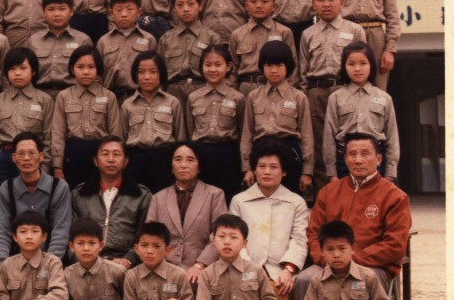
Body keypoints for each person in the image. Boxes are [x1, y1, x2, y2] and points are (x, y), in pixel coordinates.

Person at [295, 133, 411, 300]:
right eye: (352, 154)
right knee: (304, 280)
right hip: (328, 263)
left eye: (365, 154)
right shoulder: (328, 192)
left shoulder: (395, 197)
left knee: (357, 283)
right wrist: (326, 259)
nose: (358, 160)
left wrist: (351, 260)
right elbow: (313, 233)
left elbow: (394, 245)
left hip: (370, 268)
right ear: (345, 160)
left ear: (378, 159)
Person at [224, 138, 310, 300]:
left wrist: (289, 269)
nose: (267, 172)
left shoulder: (295, 202)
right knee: (247, 287)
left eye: (273, 167)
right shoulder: (240, 201)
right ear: (254, 170)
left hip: (279, 268)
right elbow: (234, 238)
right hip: (245, 265)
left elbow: (299, 239)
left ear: (284, 172)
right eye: (261, 166)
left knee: (279, 288)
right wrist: (250, 268)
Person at [298, 0, 367, 181]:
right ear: (313, 4)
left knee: (350, 142)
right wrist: (306, 97)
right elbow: (303, 70)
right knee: (319, 145)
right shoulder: (307, 34)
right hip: (316, 93)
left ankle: (351, 191)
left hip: (346, 91)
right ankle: (324, 194)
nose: (326, 4)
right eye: (320, 0)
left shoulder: (354, 30)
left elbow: (364, 64)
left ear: (341, 2)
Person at [239, 41, 313, 197]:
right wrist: (247, 168)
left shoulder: (298, 97)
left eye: (279, 65)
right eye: (268, 65)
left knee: (288, 198)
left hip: (290, 152)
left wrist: (307, 171)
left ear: (288, 67)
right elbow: (247, 133)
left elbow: (307, 135)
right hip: (261, 152)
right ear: (262, 67)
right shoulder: (253, 97)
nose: (273, 70)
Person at [49, 45, 126, 189]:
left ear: (98, 69)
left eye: (91, 67)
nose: (86, 72)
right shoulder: (63, 96)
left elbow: (116, 134)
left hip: (101, 155)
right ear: (72, 69)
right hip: (72, 154)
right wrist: (57, 166)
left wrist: (115, 161)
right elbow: (58, 133)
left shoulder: (109, 96)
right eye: (80, 67)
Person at [69, 136, 151, 268]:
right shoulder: (79, 194)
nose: (111, 159)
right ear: (96, 161)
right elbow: (70, 235)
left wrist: (129, 260)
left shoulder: (141, 196)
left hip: (126, 264)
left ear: (125, 161)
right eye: (105, 154)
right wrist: (84, 261)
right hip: (86, 261)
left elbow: (146, 236)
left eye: (116, 154)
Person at [144, 143, 228, 270]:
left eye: (190, 160)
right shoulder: (158, 198)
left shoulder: (214, 195)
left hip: (204, 270)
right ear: (171, 167)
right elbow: (150, 236)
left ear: (199, 166)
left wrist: (200, 264)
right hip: (163, 269)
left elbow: (221, 234)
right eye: (178, 159)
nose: (183, 165)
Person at [323, 43, 400, 181]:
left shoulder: (384, 98)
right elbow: (329, 137)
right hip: (345, 158)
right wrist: (332, 173)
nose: (357, 68)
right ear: (344, 67)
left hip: (376, 158)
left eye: (363, 63)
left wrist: (390, 172)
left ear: (371, 65)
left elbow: (392, 137)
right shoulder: (336, 98)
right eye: (351, 64)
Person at [0, 133, 72, 262]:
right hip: (15, 261)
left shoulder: (59, 187)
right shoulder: (7, 188)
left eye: (31, 153)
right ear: (13, 158)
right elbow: (2, 231)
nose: (26, 158)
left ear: (41, 156)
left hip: (50, 262)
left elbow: (61, 231)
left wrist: (50, 265)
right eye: (21, 154)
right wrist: (2, 264)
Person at [0, 48, 52, 184]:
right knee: (5, 195)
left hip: (33, 158)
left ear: (33, 71)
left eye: (23, 68)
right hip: (5, 159)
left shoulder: (45, 100)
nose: (17, 73)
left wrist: (45, 171)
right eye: (12, 69)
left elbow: (49, 138)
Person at [185, 44, 245, 201]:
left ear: (228, 67)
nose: (213, 69)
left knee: (227, 198)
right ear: (201, 66)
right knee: (201, 200)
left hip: (228, 154)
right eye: (208, 64)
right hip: (201, 154)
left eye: (218, 65)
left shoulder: (237, 98)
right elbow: (190, 130)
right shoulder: (193, 97)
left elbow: (242, 131)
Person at [122, 51, 187, 194]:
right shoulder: (127, 105)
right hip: (136, 160)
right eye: (141, 72)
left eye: (153, 72)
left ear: (161, 74)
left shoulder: (172, 102)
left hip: (164, 160)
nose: (147, 77)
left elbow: (180, 137)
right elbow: (123, 137)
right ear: (135, 75)